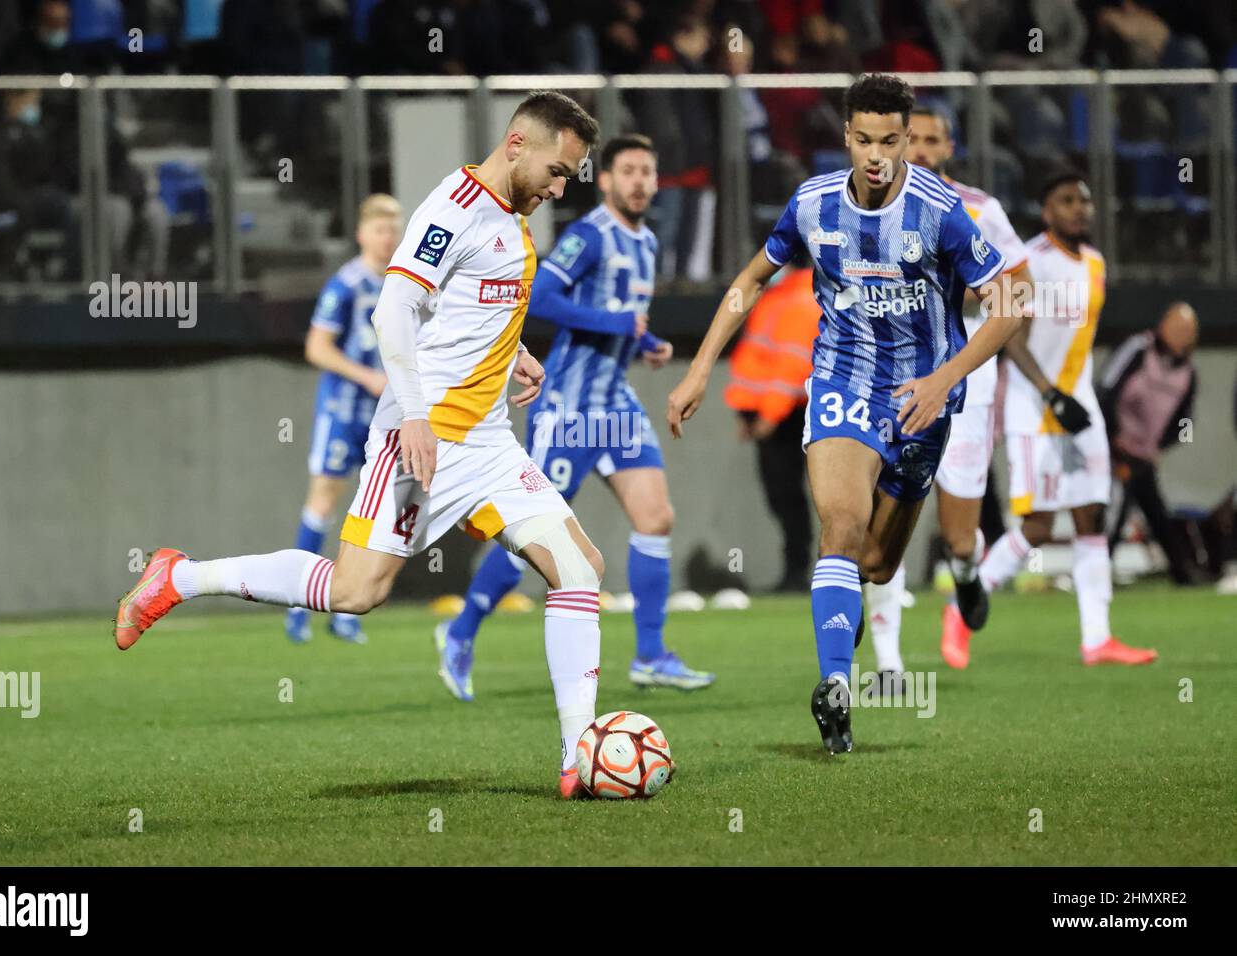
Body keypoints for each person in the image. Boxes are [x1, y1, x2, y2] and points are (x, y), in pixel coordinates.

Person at [115, 91, 609, 799]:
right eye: (559, 172)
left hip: (491, 445)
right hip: (425, 439)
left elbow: (465, 308)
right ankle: (180, 577)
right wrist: (411, 414)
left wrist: (516, 353)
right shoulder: (455, 208)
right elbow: (393, 309)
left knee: (579, 569)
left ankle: (577, 757)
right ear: (516, 144)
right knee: (354, 592)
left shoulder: (512, 219)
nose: (562, 188)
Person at [666, 73, 1023, 755]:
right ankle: (835, 686)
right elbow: (748, 281)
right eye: (866, 139)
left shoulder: (941, 211)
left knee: (878, 563)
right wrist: (701, 367)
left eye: (892, 141)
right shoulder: (811, 204)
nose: (879, 155)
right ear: (847, 137)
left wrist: (943, 378)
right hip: (841, 382)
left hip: (924, 398)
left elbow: (1008, 305)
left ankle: (846, 611)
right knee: (841, 524)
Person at [434, 134, 714, 700]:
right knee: (533, 537)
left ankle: (652, 655)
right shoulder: (590, 235)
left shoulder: (648, 241)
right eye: (628, 171)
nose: (639, 181)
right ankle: (459, 630)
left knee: (656, 517)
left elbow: (622, 322)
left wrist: (649, 343)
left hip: (616, 405)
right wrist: (619, 327)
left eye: (647, 171)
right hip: (568, 410)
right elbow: (540, 297)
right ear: (606, 181)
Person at [865, 104, 1033, 678]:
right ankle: (888, 662)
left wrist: (974, 307)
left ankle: (965, 571)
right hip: (892, 376)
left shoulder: (980, 209)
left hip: (967, 377)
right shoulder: (873, 204)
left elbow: (1018, 285)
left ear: (950, 148)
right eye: (919, 140)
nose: (928, 151)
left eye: (938, 141)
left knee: (960, 530)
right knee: (886, 514)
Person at [973, 172, 1159, 666]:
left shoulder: (1096, 264)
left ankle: (1097, 638)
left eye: (1085, 201)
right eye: (1067, 201)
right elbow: (1011, 336)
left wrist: (1075, 398)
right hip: (1036, 408)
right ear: (1046, 210)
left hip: (1081, 410)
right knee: (1036, 527)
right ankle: (968, 597)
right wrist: (1049, 393)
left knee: (1091, 518)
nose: (1079, 209)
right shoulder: (1029, 261)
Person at [283, 195, 401, 645]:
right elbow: (317, 348)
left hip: (384, 417)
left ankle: (346, 608)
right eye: (380, 230)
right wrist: (366, 376)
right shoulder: (345, 285)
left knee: (372, 513)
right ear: (361, 234)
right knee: (323, 502)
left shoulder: (403, 284)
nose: (388, 238)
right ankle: (297, 602)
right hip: (342, 412)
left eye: (394, 229)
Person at [723, 264, 821, 593]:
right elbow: (756, 355)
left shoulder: (800, 297)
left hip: (790, 413)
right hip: (770, 412)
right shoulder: (775, 295)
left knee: (792, 496)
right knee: (781, 495)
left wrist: (769, 415)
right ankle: (794, 570)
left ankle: (798, 570)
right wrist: (745, 410)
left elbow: (792, 364)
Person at [1100, 302, 1200, 584]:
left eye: (1189, 331)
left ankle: (1182, 573)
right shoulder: (1137, 350)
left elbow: (1186, 423)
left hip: (1145, 455)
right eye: (1178, 328)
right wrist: (1113, 437)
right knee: (1115, 510)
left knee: (1156, 513)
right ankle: (1098, 571)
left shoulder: (1188, 374)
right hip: (1113, 448)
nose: (1183, 336)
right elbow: (1106, 389)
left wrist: (1161, 445)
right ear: (1163, 325)